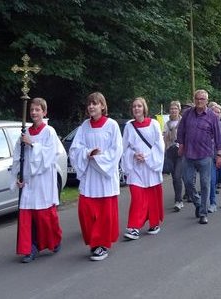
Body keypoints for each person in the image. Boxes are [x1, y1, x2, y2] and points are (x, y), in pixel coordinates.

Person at [69, 92, 123, 261]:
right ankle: (94, 241)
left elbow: (116, 150)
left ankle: (100, 245)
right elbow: (75, 149)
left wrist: (99, 158)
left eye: (95, 103)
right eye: (89, 104)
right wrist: (87, 153)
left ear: (102, 106)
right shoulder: (84, 126)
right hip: (89, 174)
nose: (91, 106)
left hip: (104, 176)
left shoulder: (112, 125)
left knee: (104, 213)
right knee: (85, 210)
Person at [11, 97, 62, 263]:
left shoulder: (49, 132)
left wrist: (32, 144)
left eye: (37, 110)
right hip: (28, 180)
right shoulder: (24, 133)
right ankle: (29, 248)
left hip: (43, 180)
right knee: (27, 214)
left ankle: (53, 240)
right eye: (32, 110)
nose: (33, 113)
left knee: (44, 215)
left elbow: (50, 154)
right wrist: (18, 175)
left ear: (44, 112)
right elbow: (19, 157)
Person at [177, 89, 221, 224]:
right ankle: (197, 202)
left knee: (205, 184)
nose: (199, 101)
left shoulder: (212, 117)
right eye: (197, 98)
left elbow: (218, 136)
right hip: (189, 154)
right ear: (194, 99)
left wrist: (220, 154)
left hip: (205, 155)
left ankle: (203, 213)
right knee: (187, 182)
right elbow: (181, 130)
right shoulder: (187, 114)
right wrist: (181, 144)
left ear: (207, 101)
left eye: (202, 99)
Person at [122, 97, 164, 240]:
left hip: (150, 166)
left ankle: (154, 223)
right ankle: (133, 227)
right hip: (135, 167)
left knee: (152, 196)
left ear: (144, 108)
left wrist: (146, 157)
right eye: (134, 106)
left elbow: (159, 145)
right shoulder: (129, 126)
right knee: (137, 196)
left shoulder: (153, 124)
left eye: (139, 106)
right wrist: (134, 155)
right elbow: (124, 147)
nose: (136, 108)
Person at [163, 100, 184, 212]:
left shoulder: (182, 122)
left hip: (181, 151)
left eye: (175, 108)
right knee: (174, 177)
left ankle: (179, 200)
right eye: (172, 109)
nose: (173, 110)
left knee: (177, 176)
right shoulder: (167, 124)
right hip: (170, 151)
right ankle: (179, 198)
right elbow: (164, 139)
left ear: (179, 110)